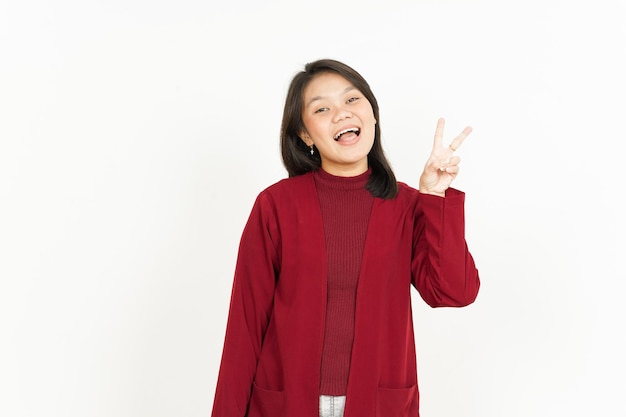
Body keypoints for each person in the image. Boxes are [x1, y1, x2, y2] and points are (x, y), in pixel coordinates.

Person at [211, 59, 480, 417]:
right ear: (305, 134)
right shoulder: (275, 206)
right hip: (285, 404)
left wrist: (434, 197)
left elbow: (453, 292)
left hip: (380, 405)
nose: (341, 114)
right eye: (322, 108)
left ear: (372, 115)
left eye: (352, 101)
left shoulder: (406, 206)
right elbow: (244, 329)